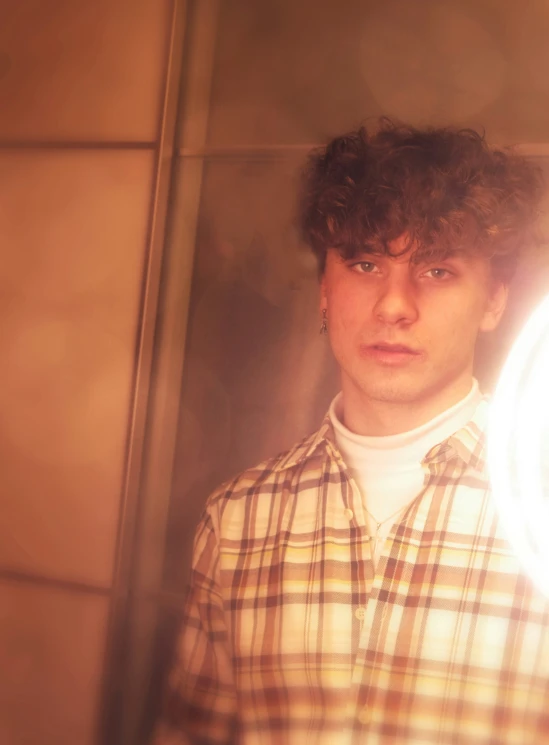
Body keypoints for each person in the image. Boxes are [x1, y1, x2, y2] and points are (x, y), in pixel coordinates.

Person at [153, 119, 549, 744]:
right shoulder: (237, 520)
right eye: (366, 263)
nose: (395, 305)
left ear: (495, 301)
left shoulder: (540, 510)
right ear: (324, 290)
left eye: (438, 270)